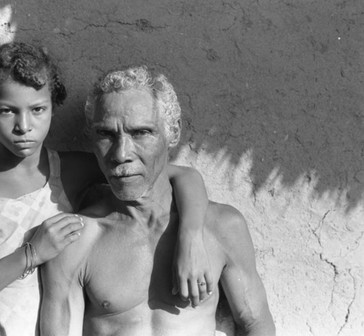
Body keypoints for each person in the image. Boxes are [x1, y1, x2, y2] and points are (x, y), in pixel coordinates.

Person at [0, 43, 212, 336]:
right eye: (6, 111)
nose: (23, 125)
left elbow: (182, 177)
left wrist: (191, 237)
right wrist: (32, 254)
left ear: (54, 108)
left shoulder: (71, 171)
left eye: (38, 109)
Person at [39, 65, 276, 336]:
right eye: (106, 134)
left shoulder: (221, 228)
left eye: (140, 132)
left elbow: (255, 324)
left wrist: (190, 235)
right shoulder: (75, 240)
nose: (121, 153)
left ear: (172, 132)